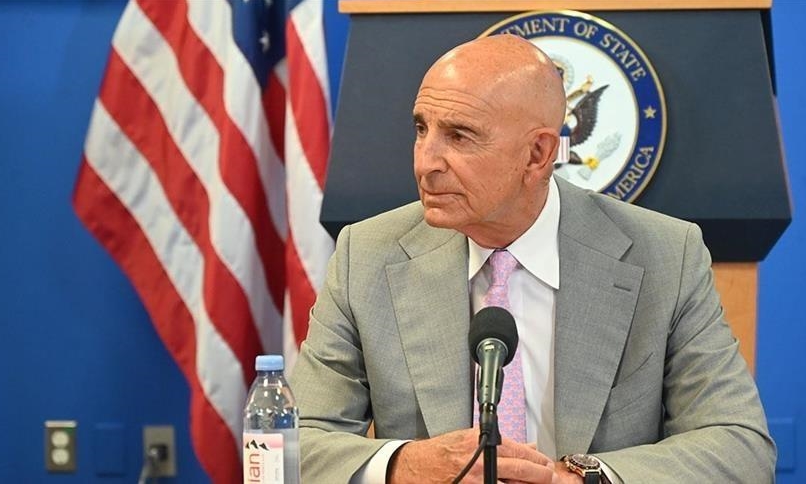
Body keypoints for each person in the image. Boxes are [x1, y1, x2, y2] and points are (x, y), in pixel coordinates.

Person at [290, 34, 775, 483]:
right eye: (422, 128)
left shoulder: (665, 256)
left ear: (538, 154)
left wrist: (578, 478)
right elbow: (293, 443)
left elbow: (739, 445)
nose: (426, 162)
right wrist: (405, 466)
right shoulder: (367, 255)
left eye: (459, 136)